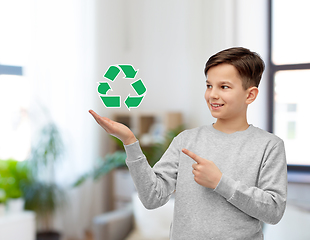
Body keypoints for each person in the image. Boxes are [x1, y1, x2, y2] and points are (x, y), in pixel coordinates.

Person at [89, 47, 287, 240]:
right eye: (209, 85)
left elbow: (274, 211)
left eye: (224, 87)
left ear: (250, 95)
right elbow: (151, 198)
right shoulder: (186, 140)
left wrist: (220, 182)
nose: (212, 95)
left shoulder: (269, 146)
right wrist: (130, 141)